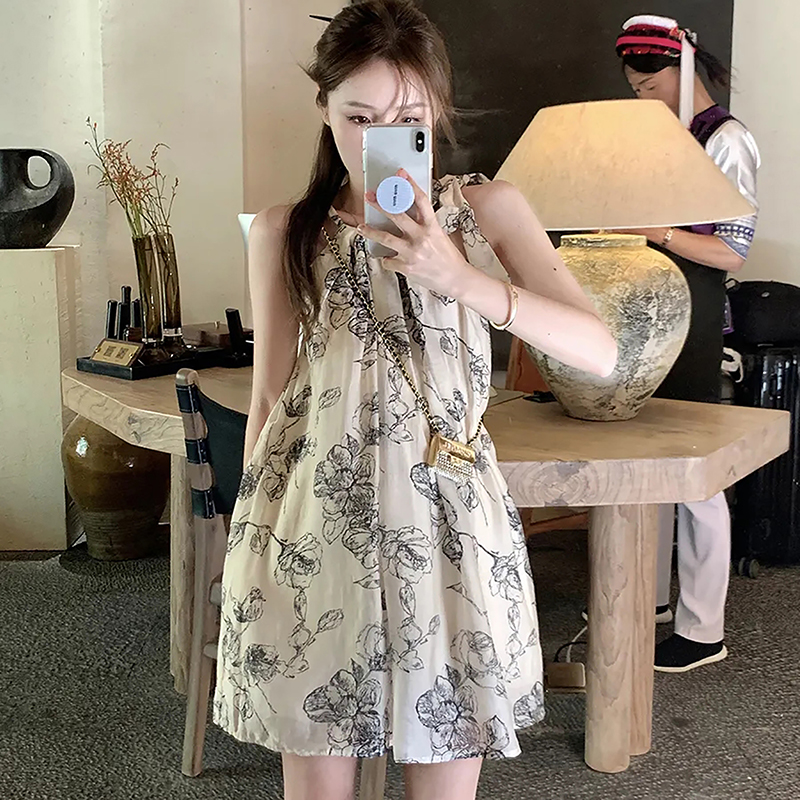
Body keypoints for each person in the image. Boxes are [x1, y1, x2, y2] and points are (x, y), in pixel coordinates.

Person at [212, 2, 617, 798]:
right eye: (358, 117)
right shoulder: (285, 231)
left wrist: (459, 276)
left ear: (437, 111)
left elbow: (599, 352)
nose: (380, 138)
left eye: (407, 117)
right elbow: (271, 396)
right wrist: (244, 546)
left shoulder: (487, 212)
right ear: (323, 109)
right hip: (313, 527)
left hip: (450, 523)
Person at [615, 15, 760, 673]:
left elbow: (731, 252)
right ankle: (647, 599)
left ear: (683, 68)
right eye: (636, 89)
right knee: (647, 459)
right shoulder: (664, 136)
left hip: (697, 317)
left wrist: (656, 231)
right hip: (652, 311)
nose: (642, 97)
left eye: (649, 85)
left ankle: (704, 629)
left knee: (695, 474)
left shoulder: (729, 140)